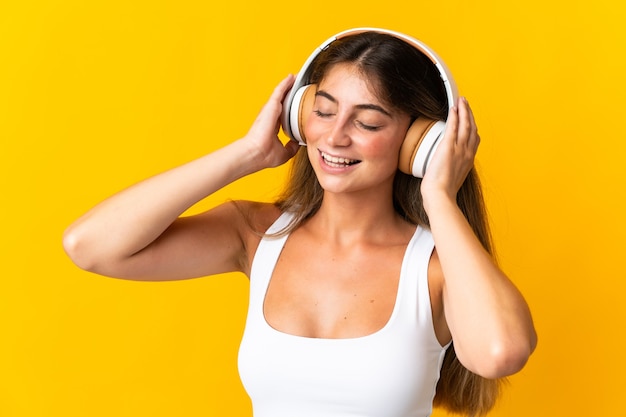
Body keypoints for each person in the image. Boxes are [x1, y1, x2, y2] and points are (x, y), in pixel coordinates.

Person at [63, 28, 537, 417]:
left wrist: (439, 194)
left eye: (367, 123)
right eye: (324, 110)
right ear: (297, 113)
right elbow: (90, 246)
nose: (334, 136)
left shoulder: (435, 266)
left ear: (419, 142)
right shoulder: (255, 235)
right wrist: (248, 153)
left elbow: (498, 353)